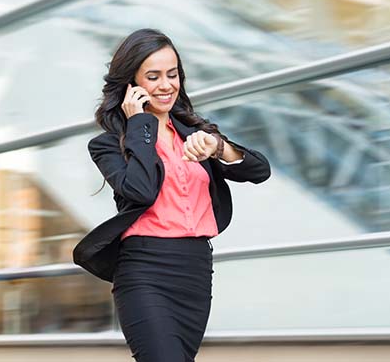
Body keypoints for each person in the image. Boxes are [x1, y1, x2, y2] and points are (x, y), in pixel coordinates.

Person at [73, 28, 271, 361]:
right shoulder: (109, 144)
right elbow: (141, 190)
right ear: (131, 84)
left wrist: (220, 148)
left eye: (172, 74)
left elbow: (259, 170)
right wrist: (139, 124)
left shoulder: (195, 134)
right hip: (144, 270)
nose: (166, 85)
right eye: (153, 76)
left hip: (194, 270)